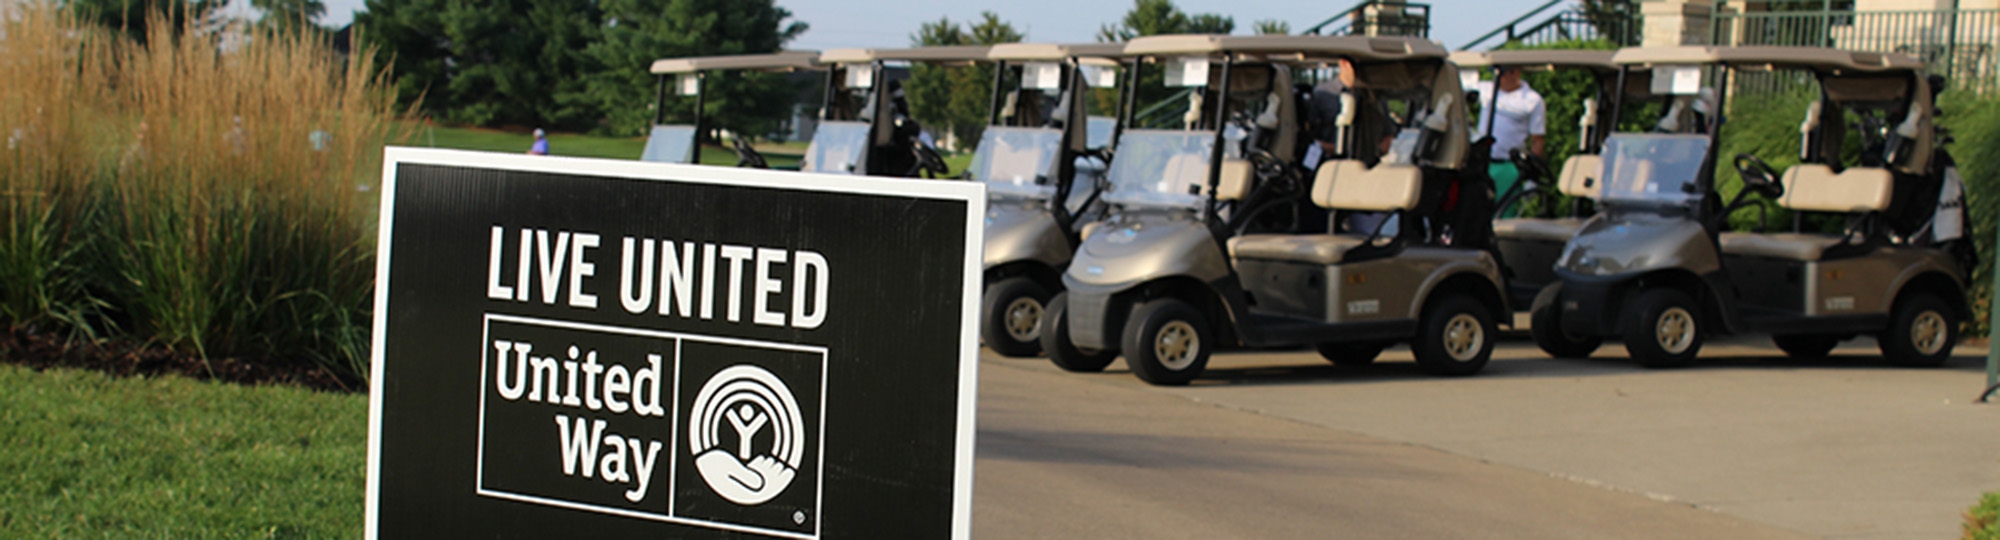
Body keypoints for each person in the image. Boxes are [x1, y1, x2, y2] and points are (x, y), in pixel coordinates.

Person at [1473, 65, 1545, 216]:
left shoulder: (1532, 100)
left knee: (1502, 214)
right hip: (1482, 163)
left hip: (1509, 166)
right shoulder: (1484, 90)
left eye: (1503, 75)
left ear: (1516, 73)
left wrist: (1533, 176)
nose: (1498, 79)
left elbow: (1537, 140)